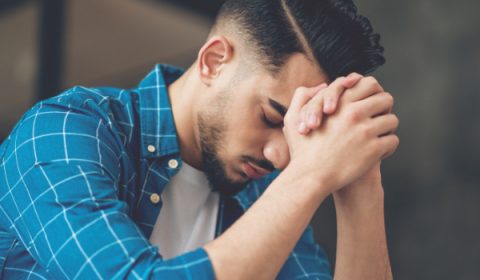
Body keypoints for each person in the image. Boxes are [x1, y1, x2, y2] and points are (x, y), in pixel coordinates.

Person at [0, 0, 399, 279]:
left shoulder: (263, 193)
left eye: (298, 129)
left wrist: (362, 182)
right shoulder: (61, 132)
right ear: (214, 62)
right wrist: (310, 178)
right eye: (271, 116)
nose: (281, 157)